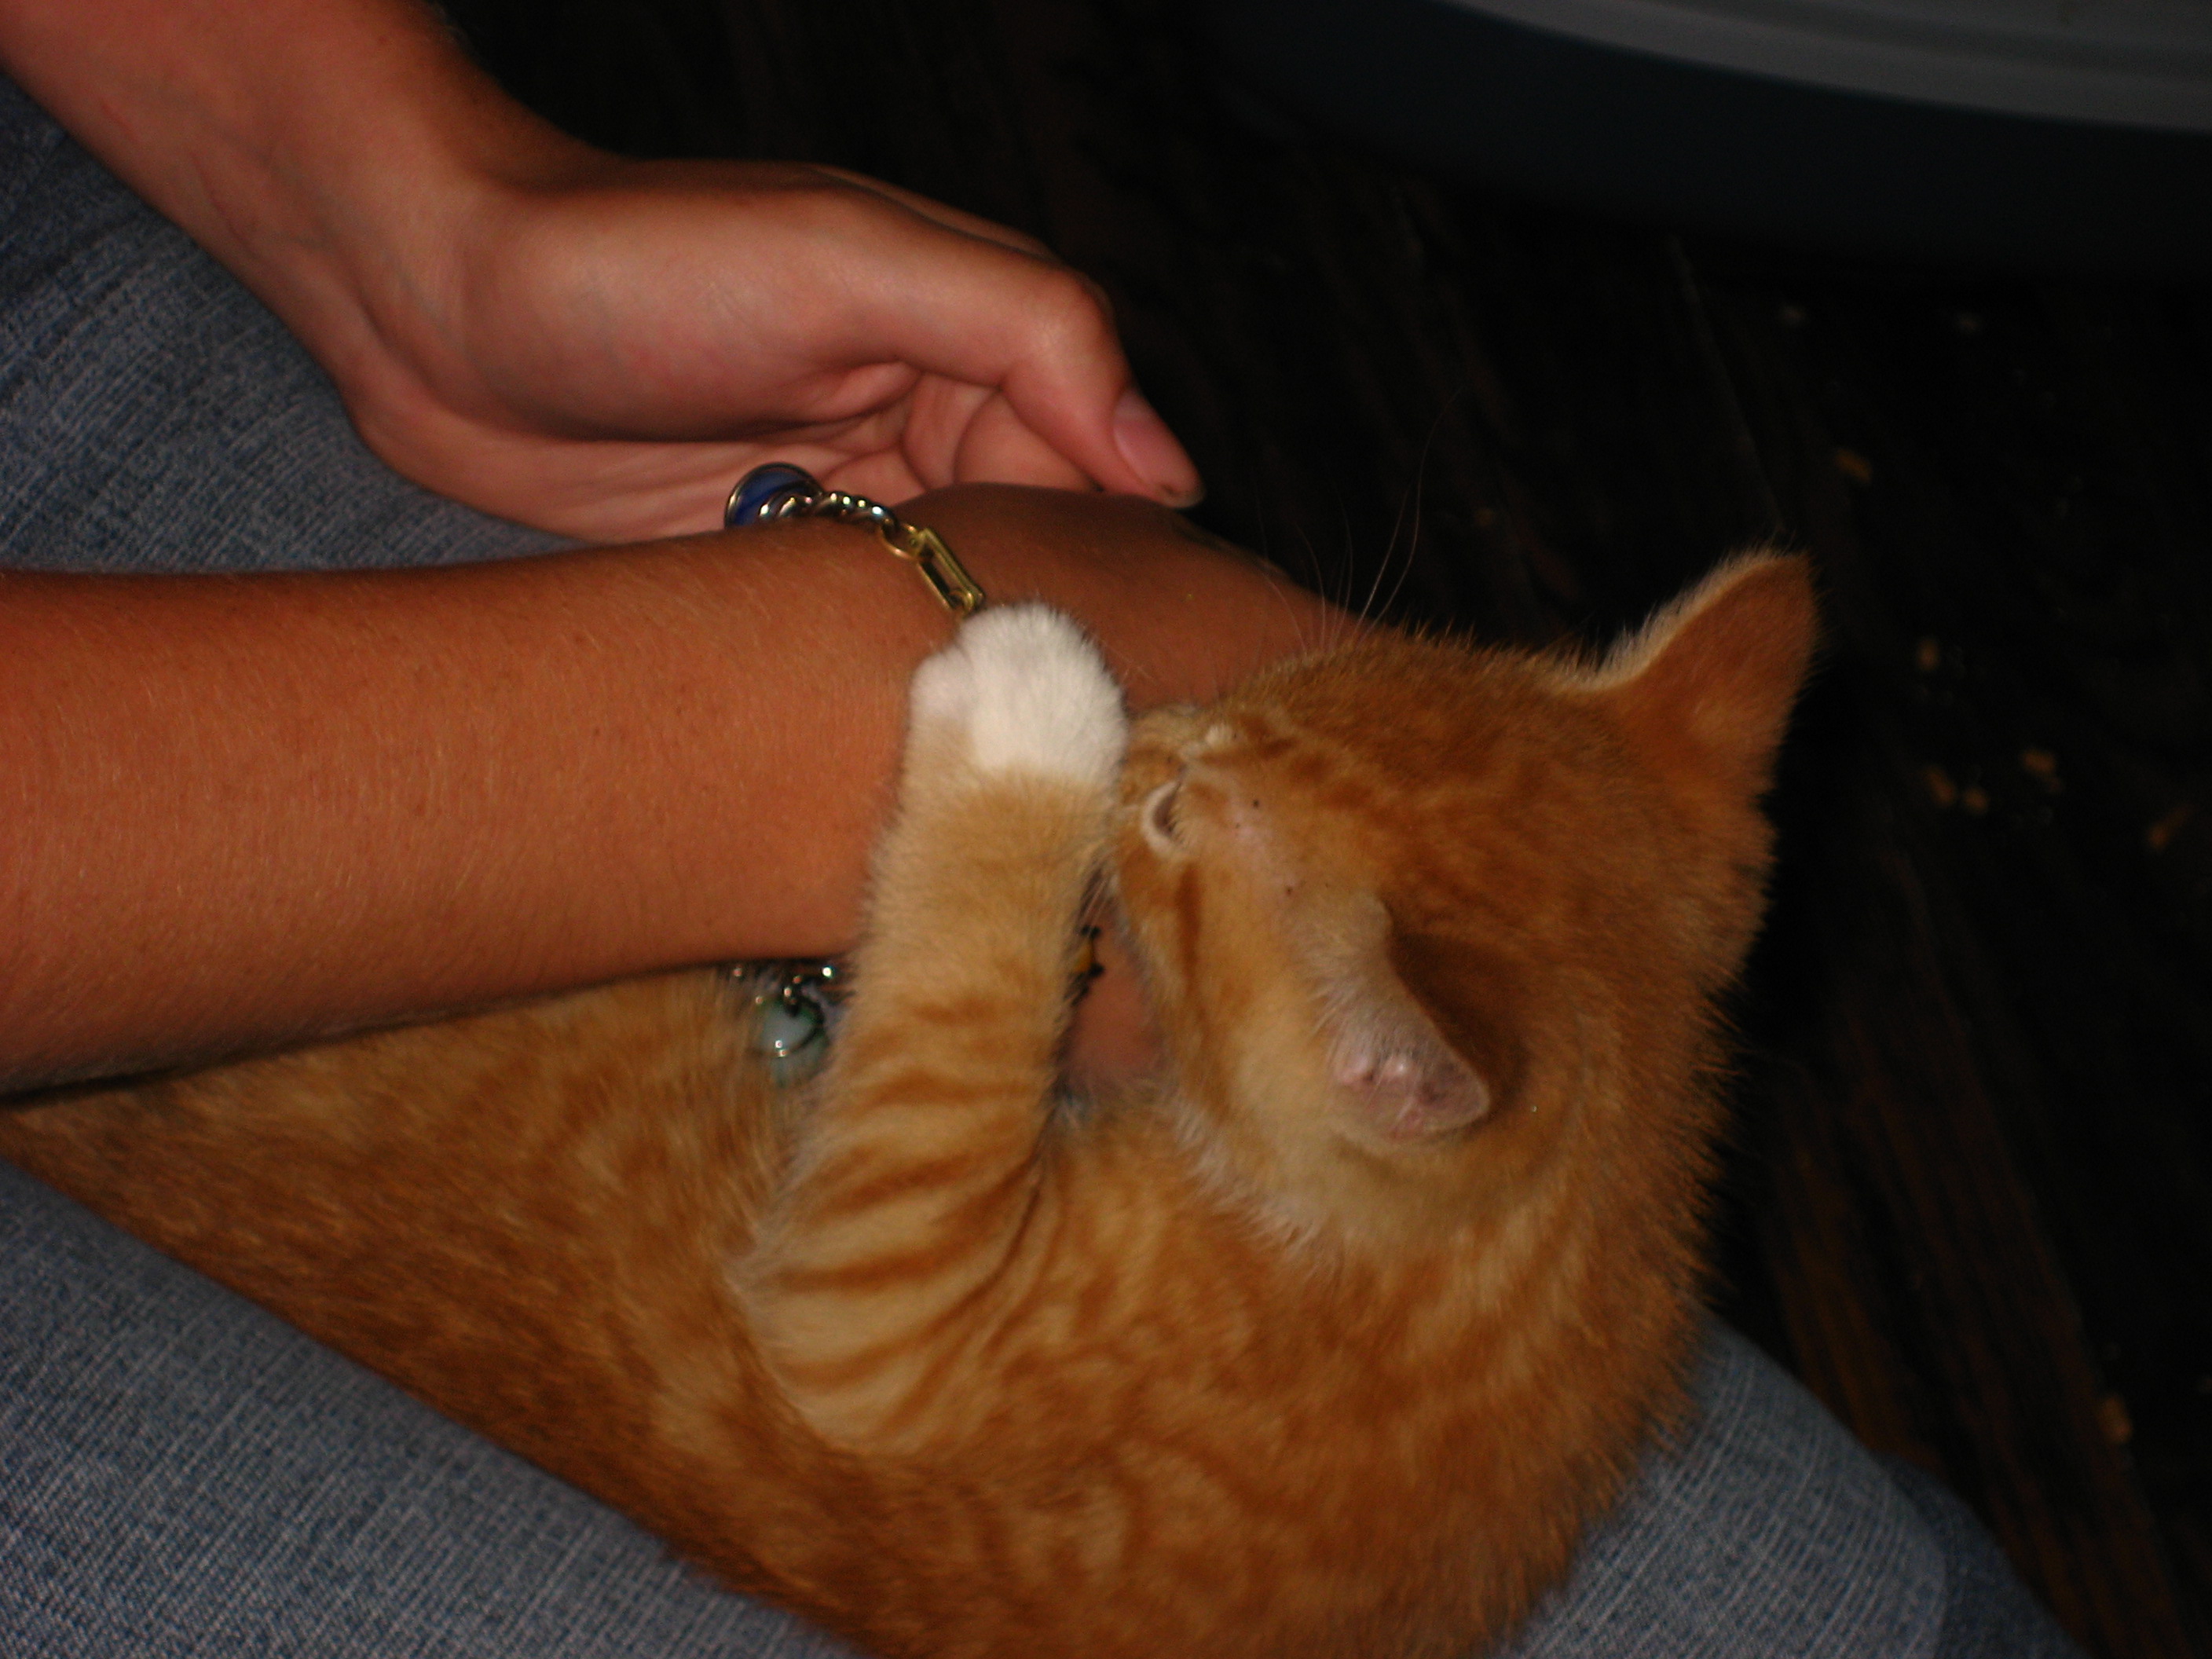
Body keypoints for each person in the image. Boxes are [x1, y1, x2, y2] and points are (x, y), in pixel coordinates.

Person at [0, 2, 2084, 1653]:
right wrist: (870, 744)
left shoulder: (1380, 1108)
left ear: (1390, 1077)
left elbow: (874, 1351)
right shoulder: (1422, 1267)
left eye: (1178, 778)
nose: (1161, 736)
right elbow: (865, 1357)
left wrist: (418, 218)